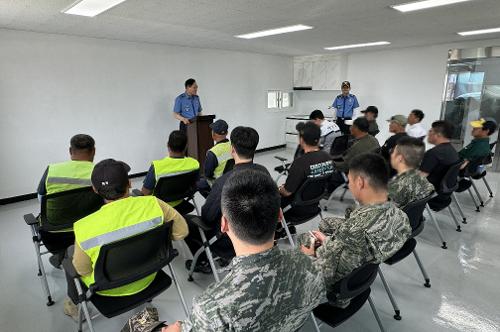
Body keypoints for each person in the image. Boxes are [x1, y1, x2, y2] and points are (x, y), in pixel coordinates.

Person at [162, 168, 325, 332]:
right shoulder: (312, 266)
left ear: (224, 224)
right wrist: (306, 257)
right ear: (280, 216)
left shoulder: (213, 308)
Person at [63, 159, 188, 320]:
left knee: (69, 255)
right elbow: (182, 232)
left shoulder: (83, 227)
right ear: (129, 183)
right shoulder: (154, 204)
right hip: (149, 276)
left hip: (107, 289)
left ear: (94, 189)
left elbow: (82, 271)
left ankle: (74, 305)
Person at [300, 153, 411, 306]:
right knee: (324, 228)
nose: (350, 186)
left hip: (338, 292)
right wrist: (329, 243)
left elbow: (325, 275)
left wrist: (309, 254)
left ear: (360, 182)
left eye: (350, 180)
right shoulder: (400, 216)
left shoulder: (352, 230)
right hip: (361, 278)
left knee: (306, 240)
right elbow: (357, 250)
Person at [186, 126, 268, 273]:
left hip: (228, 241)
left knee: (189, 222)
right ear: (254, 149)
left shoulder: (224, 182)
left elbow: (207, 216)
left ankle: (203, 261)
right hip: (259, 233)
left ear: (232, 150)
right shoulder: (263, 171)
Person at [36, 134, 96, 268]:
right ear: (93, 151)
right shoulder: (99, 172)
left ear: (70, 151)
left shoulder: (52, 170)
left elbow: (41, 199)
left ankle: (63, 257)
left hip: (55, 237)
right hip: (90, 233)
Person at [278, 122, 334, 210]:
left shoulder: (300, 163)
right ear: (319, 139)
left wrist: (280, 189)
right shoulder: (328, 157)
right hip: (315, 204)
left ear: (301, 140)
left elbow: (287, 193)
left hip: (296, 208)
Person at [141, 130, 200, 214]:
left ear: (168, 145)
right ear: (186, 146)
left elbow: (145, 193)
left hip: (160, 208)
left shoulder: (157, 166)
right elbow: (195, 185)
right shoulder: (194, 164)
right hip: (180, 203)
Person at [328, 117, 380, 192]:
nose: (350, 128)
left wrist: (330, 162)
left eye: (351, 126)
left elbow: (344, 166)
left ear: (356, 128)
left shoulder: (357, 147)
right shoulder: (374, 140)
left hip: (354, 174)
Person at [389, 136, 434, 209]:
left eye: (392, 152)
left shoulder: (396, 187)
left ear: (400, 158)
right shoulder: (422, 179)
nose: (391, 155)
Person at [420, 120, 460, 190]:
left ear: (438, 135)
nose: (428, 134)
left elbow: (421, 177)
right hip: (444, 190)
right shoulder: (452, 151)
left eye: (430, 131)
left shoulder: (434, 153)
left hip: (429, 191)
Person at [196, 119, 231, 196]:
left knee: (198, 183)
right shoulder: (233, 146)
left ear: (213, 134)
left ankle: (212, 201)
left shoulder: (212, 152)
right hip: (231, 180)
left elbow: (208, 174)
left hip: (218, 183)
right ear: (227, 133)